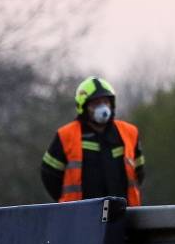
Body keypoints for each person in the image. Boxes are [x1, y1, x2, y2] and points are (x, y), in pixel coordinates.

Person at [41, 77, 145, 205]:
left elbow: (139, 172)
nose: (102, 108)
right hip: (80, 216)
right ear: (83, 106)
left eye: (105, 102)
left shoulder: (130, 132)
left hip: (124, 214)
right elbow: (49, 175)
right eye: (96, 103)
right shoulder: (66, 135)